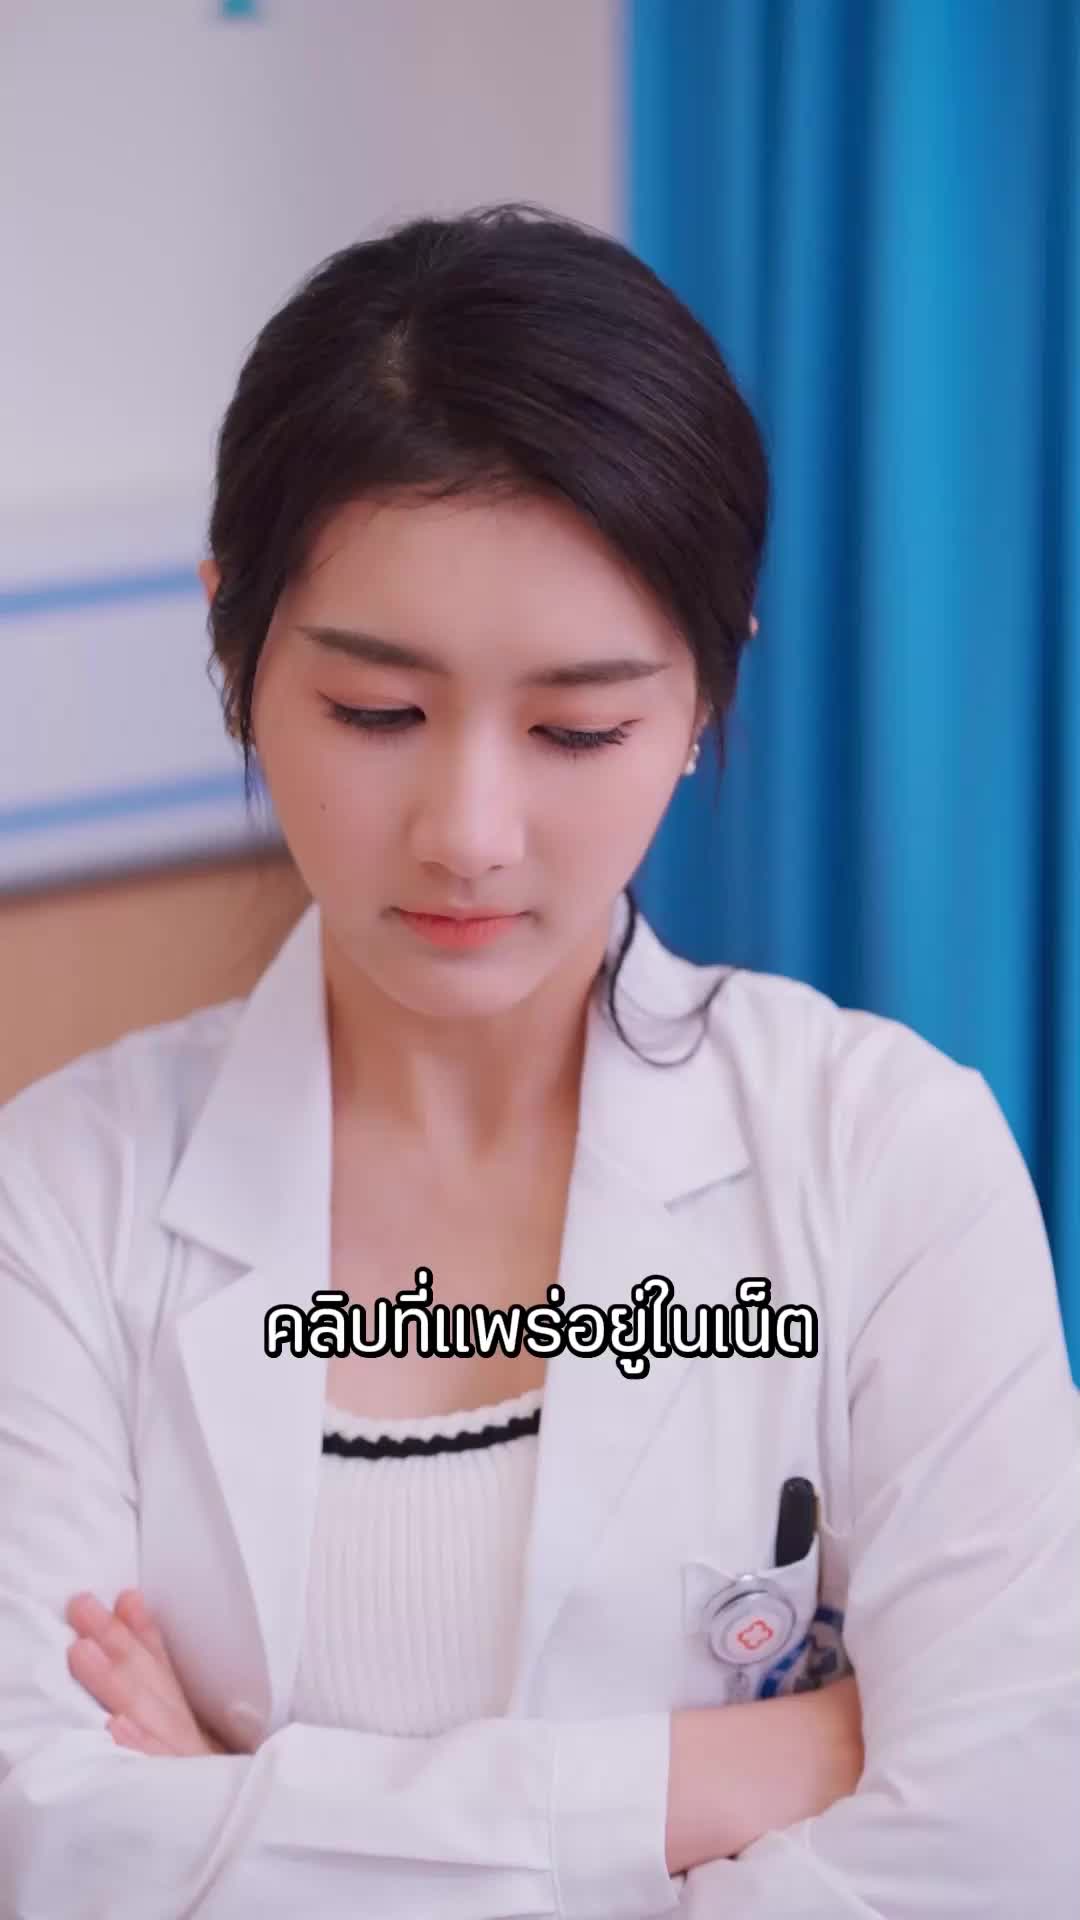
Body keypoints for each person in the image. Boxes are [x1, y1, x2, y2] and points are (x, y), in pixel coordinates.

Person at [0, 201, 1077, 1920]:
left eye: (579, 727)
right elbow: (43, 1847)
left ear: (708, 697)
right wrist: (726, 1775)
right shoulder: (58, 1203)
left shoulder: (891, 1162)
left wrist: (235, 1815)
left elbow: (1003, 1848)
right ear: (233, 647)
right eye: (377, 713)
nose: (471, 832)